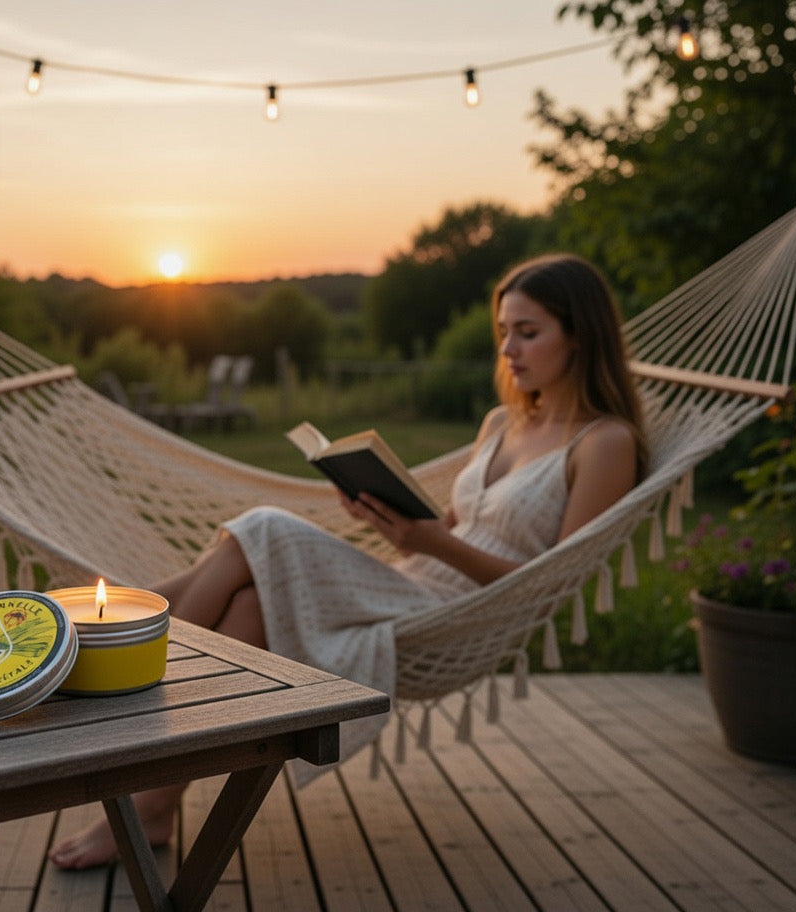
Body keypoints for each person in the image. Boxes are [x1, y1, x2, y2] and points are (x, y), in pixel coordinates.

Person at [48, 252, 647, 870]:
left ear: (580, 335)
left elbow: (551, 585)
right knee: (251, 601)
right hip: (409, 584)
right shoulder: (504, 422)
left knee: (265, 527)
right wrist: (389, 517)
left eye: (528, 332)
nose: (509, 350)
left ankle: (103, 631)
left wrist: (431, 543)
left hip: (463, 611)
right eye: (503, 333)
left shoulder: (605, 443)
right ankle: (154, 803)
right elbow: (454, 528)